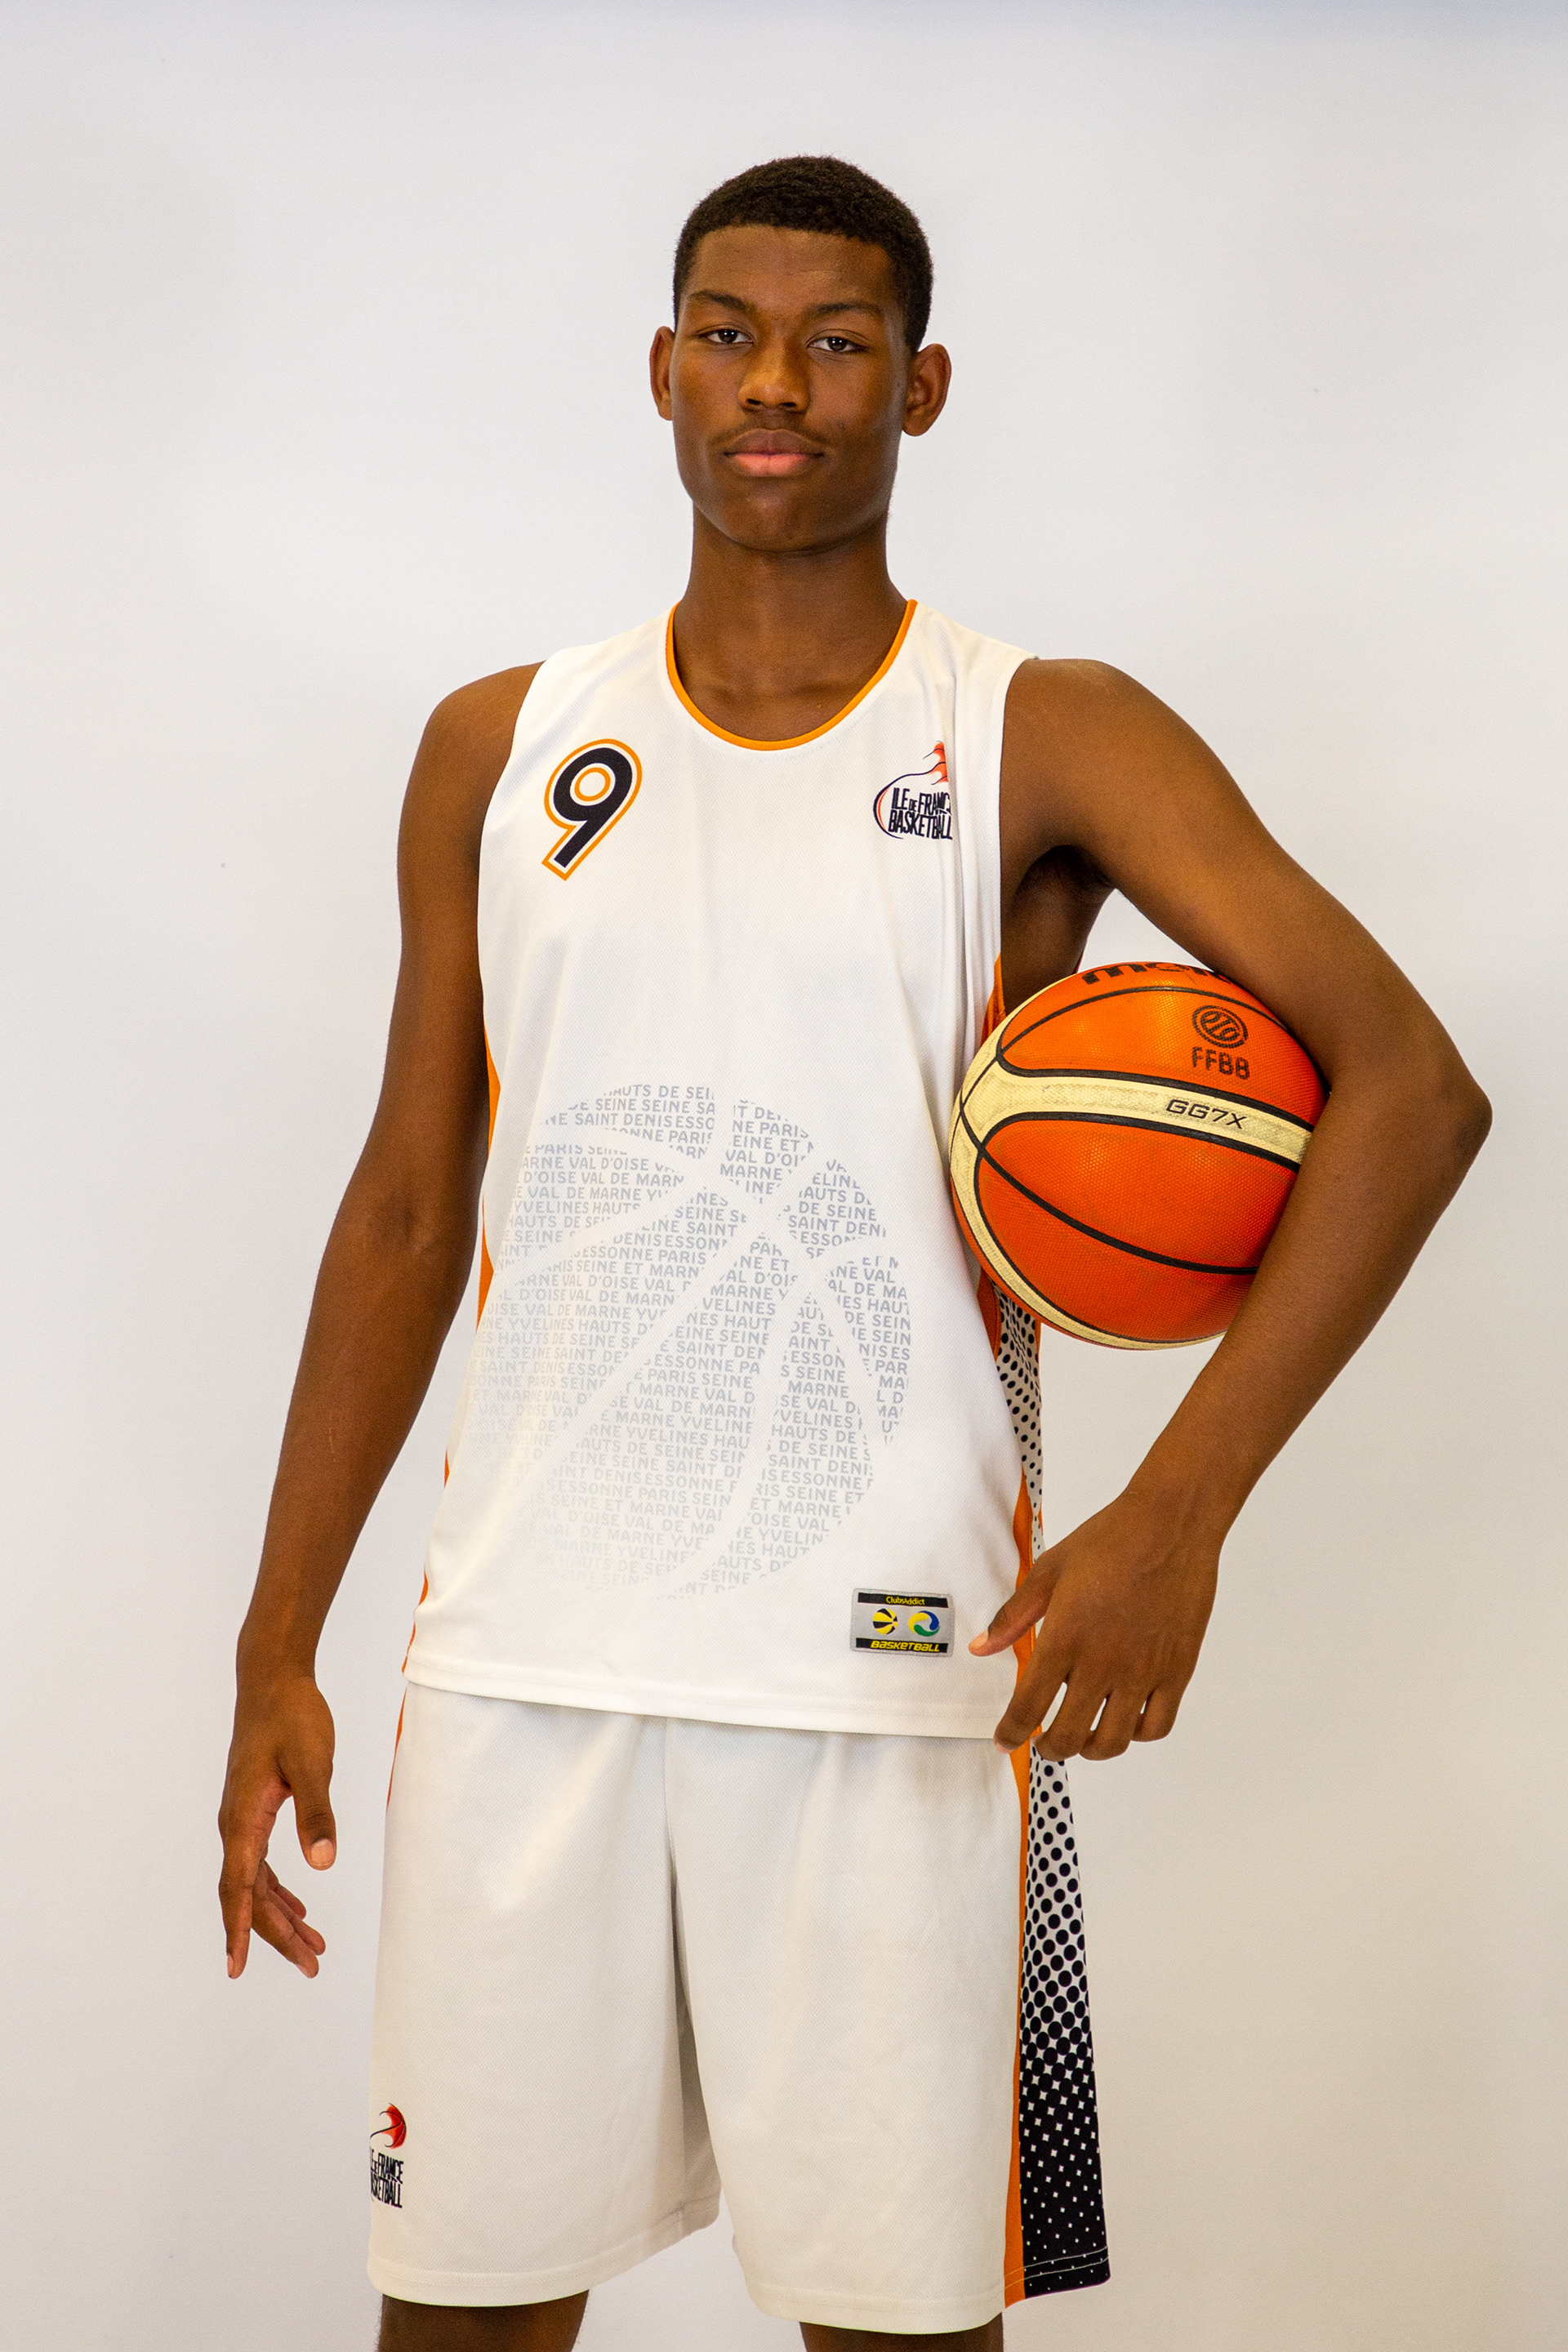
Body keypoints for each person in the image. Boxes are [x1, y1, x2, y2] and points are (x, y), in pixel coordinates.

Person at [217, 155, 1490, 2351]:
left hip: (901, 1681)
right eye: (728, 335)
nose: (774, 386)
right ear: (661, 369)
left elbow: (1415, 1088)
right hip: (525, 1667)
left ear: (923, 382)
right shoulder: (501, 744)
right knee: (460, 2319)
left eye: (834, 342)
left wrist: (1178, 1512)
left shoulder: (1041, 733)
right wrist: (275, 1639)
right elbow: (410, 1203)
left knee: (900, 2337)